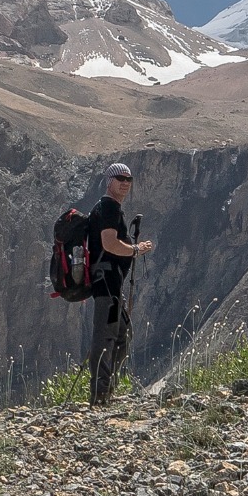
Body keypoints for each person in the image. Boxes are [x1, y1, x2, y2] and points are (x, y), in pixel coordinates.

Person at [87, 162, 152, 406]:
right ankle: (100, 395)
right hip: (106, 284)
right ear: (109, 181)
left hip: (109, 284)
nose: (125, 182)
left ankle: (106, 390)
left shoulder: (108, 208)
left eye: (129, 178)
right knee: (106, 336)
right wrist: (136, 249)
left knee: (121, 335)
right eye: (120, 178)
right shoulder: (109, 208)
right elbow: (109, 243)